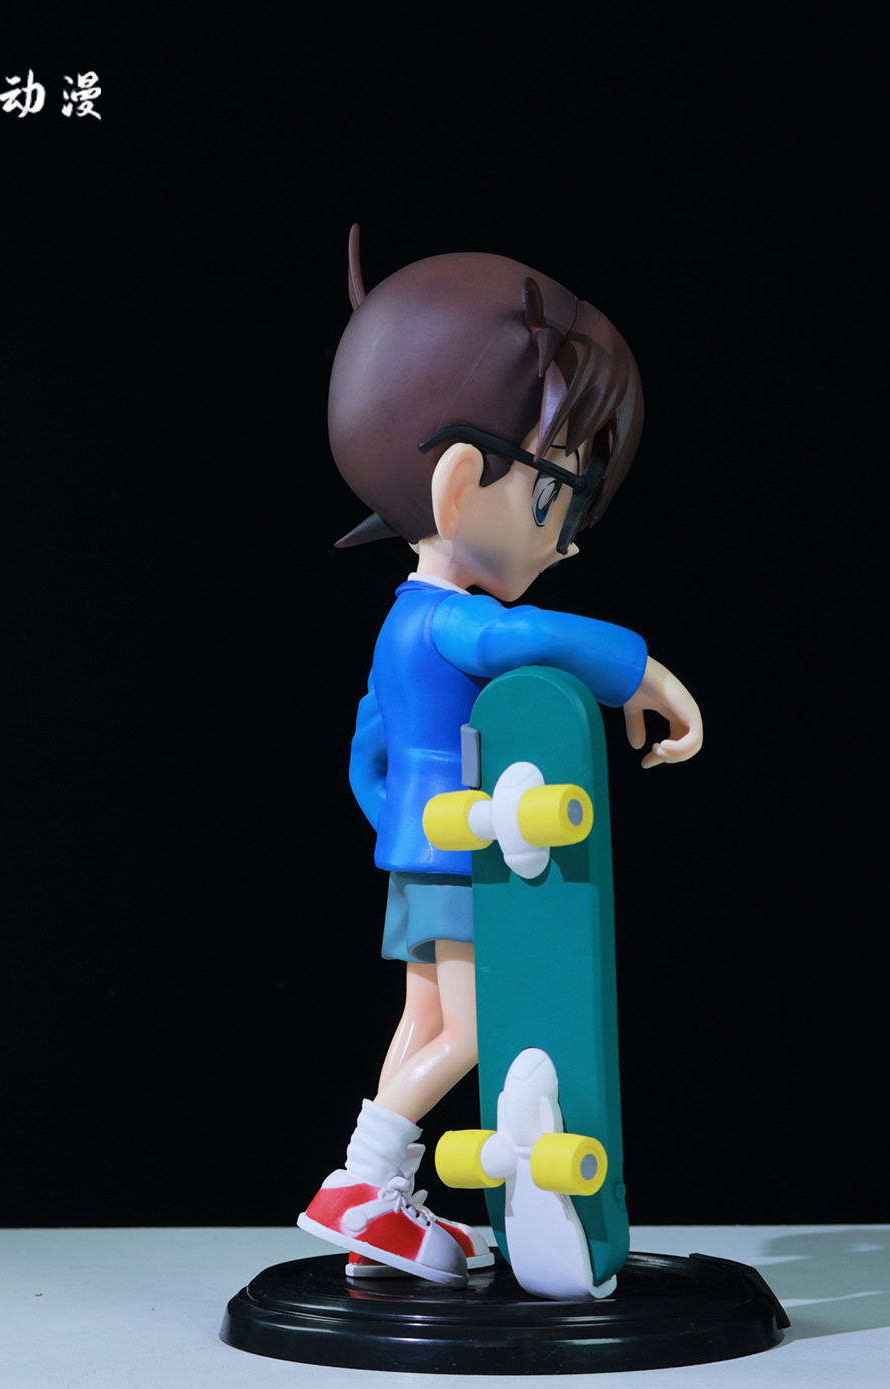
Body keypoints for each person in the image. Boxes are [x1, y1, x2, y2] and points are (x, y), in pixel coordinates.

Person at [297, 229, 702, 1286]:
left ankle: (375, 1201)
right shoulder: (446, 619)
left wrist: (403, 827)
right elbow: (524, 639)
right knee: (471, 1033)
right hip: (455, 856)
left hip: (419, 856)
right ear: (462, 481)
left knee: (425, 1018)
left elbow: (368, 753)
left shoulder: (397, 625)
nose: (569, 537)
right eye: (557, 494)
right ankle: (360, 1182)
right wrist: (645, 673)